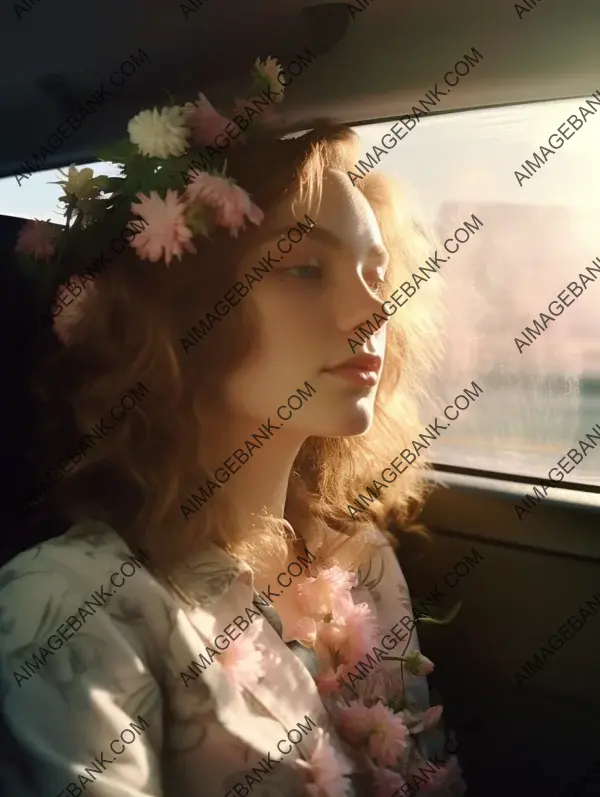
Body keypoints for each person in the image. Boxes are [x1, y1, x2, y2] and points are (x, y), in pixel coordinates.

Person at [0, 57, 465, 797]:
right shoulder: (66, 601)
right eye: (306, 269)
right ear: (186, 313)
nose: (373, 312)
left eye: (376, 274)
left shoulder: (365, 561)